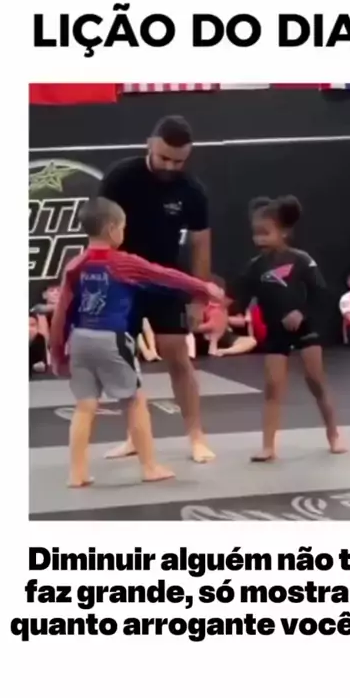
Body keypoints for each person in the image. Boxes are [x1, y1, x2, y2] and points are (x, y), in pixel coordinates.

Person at [50, 197, 223, 488]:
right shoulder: (123, 262)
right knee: (135, 401)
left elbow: (61, 313)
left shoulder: (75, 265)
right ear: (112, 228)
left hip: (80, 340)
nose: (124, 233)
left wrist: (57, 353)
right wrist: (203, 286)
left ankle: (76, 473)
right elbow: (163, 275)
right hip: (111, 340)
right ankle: (150, 466)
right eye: (123, 228)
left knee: (84, 407)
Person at [98, 115, 214, 463]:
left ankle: (196, 437)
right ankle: (133, 437)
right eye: (165, 158)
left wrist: (199, 297)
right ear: (150, 145)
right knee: (123, 359)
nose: (170, 166)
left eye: (179, 161)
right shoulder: (121, 177)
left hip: (166, 279)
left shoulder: (191, 190)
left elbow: (201, 245)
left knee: (178, 356)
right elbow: (100, 232)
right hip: (123, 280)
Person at [234, 195, 345, 461]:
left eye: (265, 233)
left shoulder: (301, 260)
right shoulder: (254, 267)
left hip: (306, 328)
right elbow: (239, 297)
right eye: (256, 233)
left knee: (316, 381)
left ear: (283, 232)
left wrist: (301, 312)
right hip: (276, 331)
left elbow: (320, 293)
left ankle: (333, 434)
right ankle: (268, 446)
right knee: (273, 387)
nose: (259, 239)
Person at [193, 275, 229, 355]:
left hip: (218, 337)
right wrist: (210, 325)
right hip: (200, 338)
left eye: (222, 290)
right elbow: (194, 327)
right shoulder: (198, 303)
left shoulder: (223, 307)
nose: (220, 292)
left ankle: (221, 349)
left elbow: (223, 324)